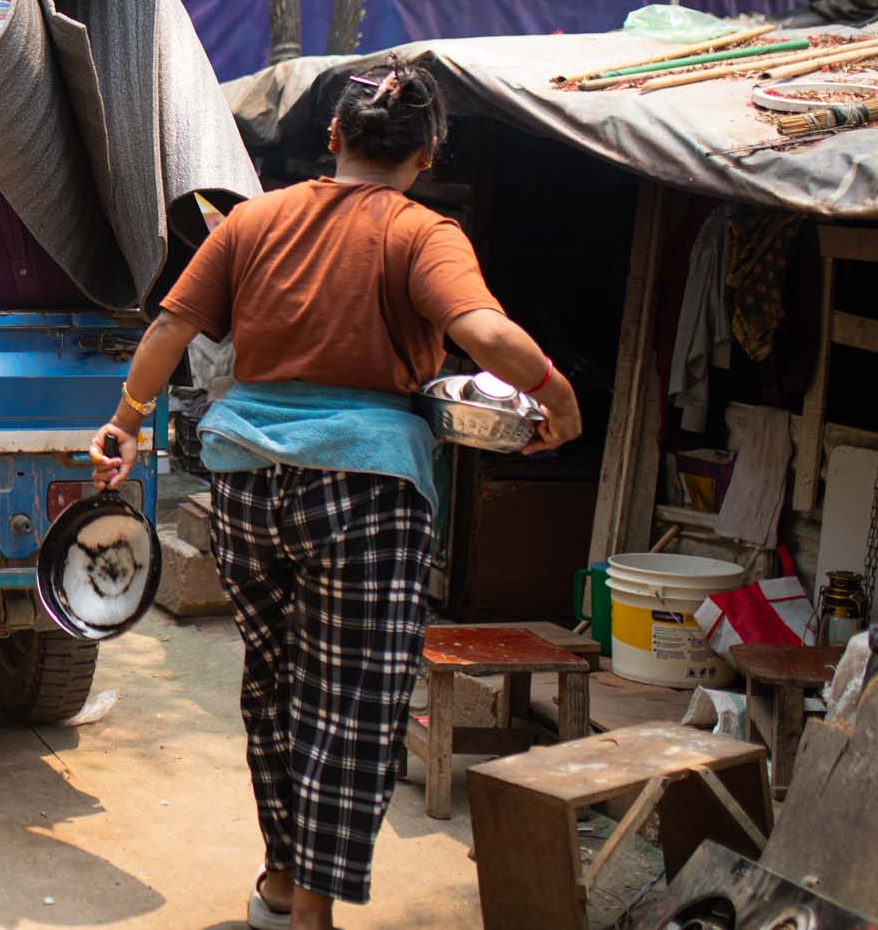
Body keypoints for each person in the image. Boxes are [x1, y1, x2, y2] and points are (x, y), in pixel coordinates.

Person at [91, 58, 580, 930]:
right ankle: (311, 913)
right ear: (424, 155)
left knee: (275, 688)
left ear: (332, 139)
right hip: (369, 491)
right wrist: (554, 390)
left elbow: (171, 324)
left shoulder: (253, 222)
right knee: (350, 703)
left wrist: (127, 419)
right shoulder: (424, 232)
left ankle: (282, 884)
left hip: (245, 485)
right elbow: (481, 333)